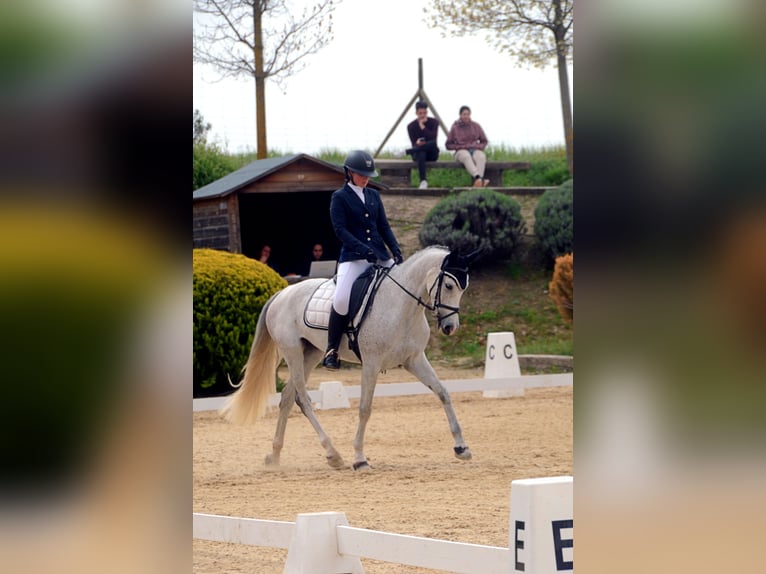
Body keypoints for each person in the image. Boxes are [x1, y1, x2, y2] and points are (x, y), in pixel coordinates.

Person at [322, 150, 404, 370]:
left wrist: (395, 250)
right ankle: (332, 350)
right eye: (361, 174)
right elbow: (340, 230)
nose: (366, 178)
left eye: (368, 174)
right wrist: (361, 248)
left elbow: (383, 226)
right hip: (353, 258)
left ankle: (398, 343)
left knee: (402, 287)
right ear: (349, 173)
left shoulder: (374, 196)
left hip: (379, 255)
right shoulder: (339, 197)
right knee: (340, 299)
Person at [445, 105, 490, 187]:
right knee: (466, 156)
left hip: (474, 149)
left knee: (481, 156)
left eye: (468, 114)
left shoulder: (476, 126)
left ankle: (479, 182)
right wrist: (460, 147)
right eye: (464, 114)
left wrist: (477, 146)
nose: (466, 116)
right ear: (460, 115)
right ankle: (479, 178)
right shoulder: (455, 127)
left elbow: (484, 141)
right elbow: (448, 145)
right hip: (460, 151)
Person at [405, 100, 440, 189]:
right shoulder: (411, 126)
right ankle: (423, 181)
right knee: (421, 152)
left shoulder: (434, 122)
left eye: (424, 113)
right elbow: (413, 143)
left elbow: (433, 138)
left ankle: (407, 152)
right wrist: (417, 144)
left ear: (427, 112)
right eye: (420, 113)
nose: (422, 115)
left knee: (432, 143)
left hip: (432, 153)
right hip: (418, 154)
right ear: (416, 113)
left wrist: (422, 126)